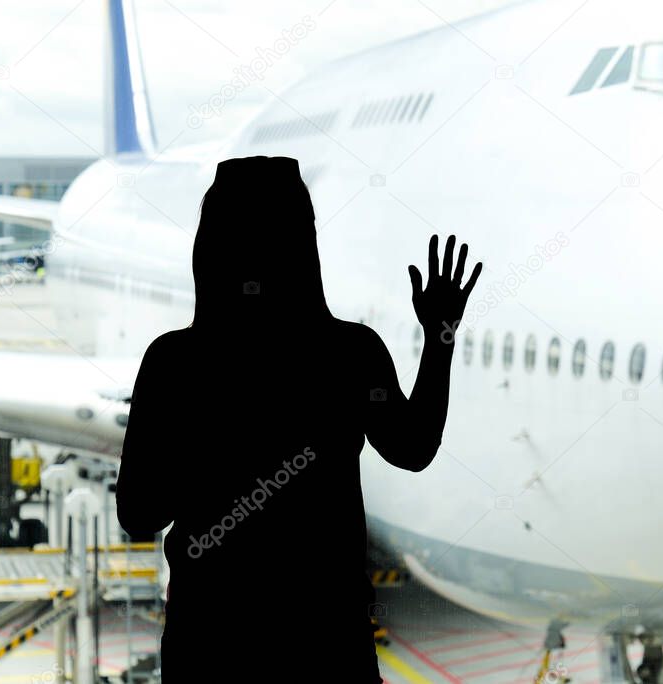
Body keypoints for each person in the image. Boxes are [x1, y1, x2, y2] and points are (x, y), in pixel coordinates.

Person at [115, 155, 481, 681]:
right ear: (303, 243)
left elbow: (139, 514)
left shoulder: (174, 363)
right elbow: (414, 448)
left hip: (213, 640)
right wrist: (440, 334)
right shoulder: (352, 352)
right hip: (327, 640)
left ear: (212, 246)